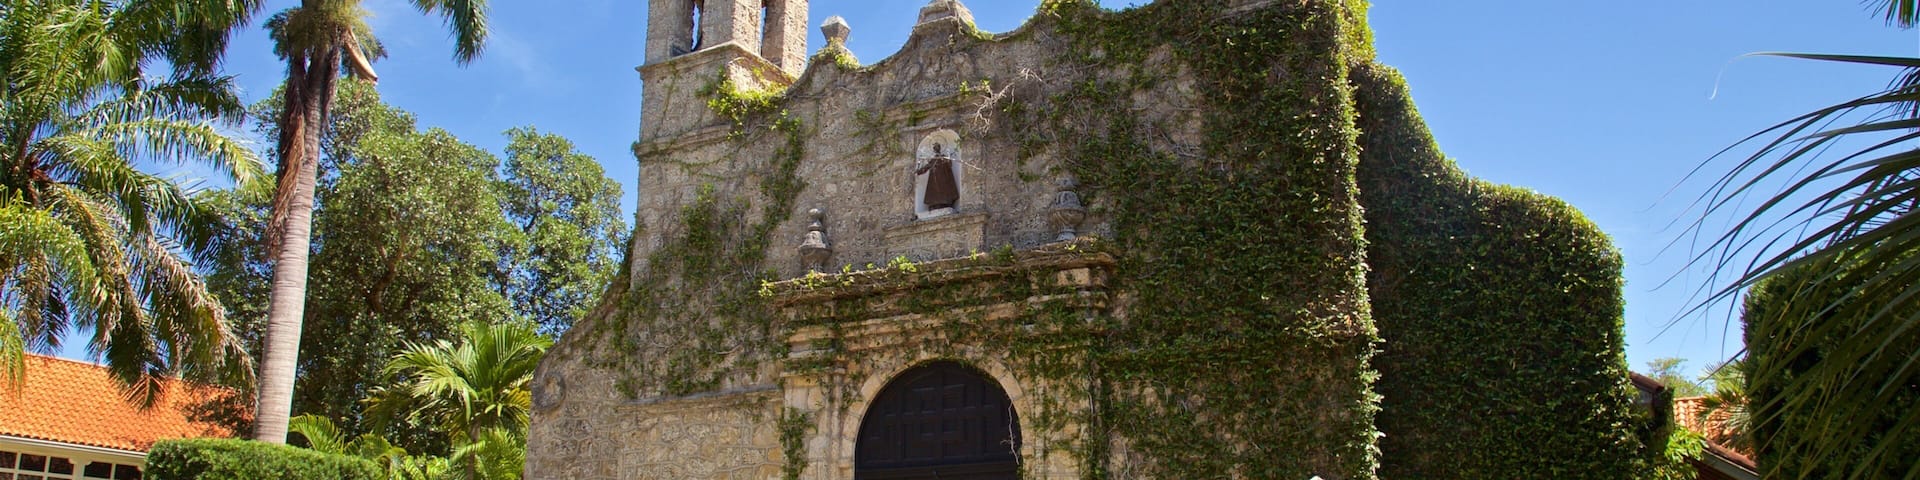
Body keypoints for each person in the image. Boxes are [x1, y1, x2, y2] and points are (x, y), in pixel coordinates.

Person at [917, 144, 959, 211]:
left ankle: (945, 203)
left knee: (944, 191)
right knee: (935, 192)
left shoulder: (943, 157)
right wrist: (919, 171)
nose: (936, 149)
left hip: (944, 179)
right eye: (935, 148)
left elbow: (949, 164)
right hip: (934, 180)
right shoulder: (933, 160)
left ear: (939, 148)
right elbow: (927, 167)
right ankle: (935, 205)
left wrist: (948, 158)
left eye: (937, 148)